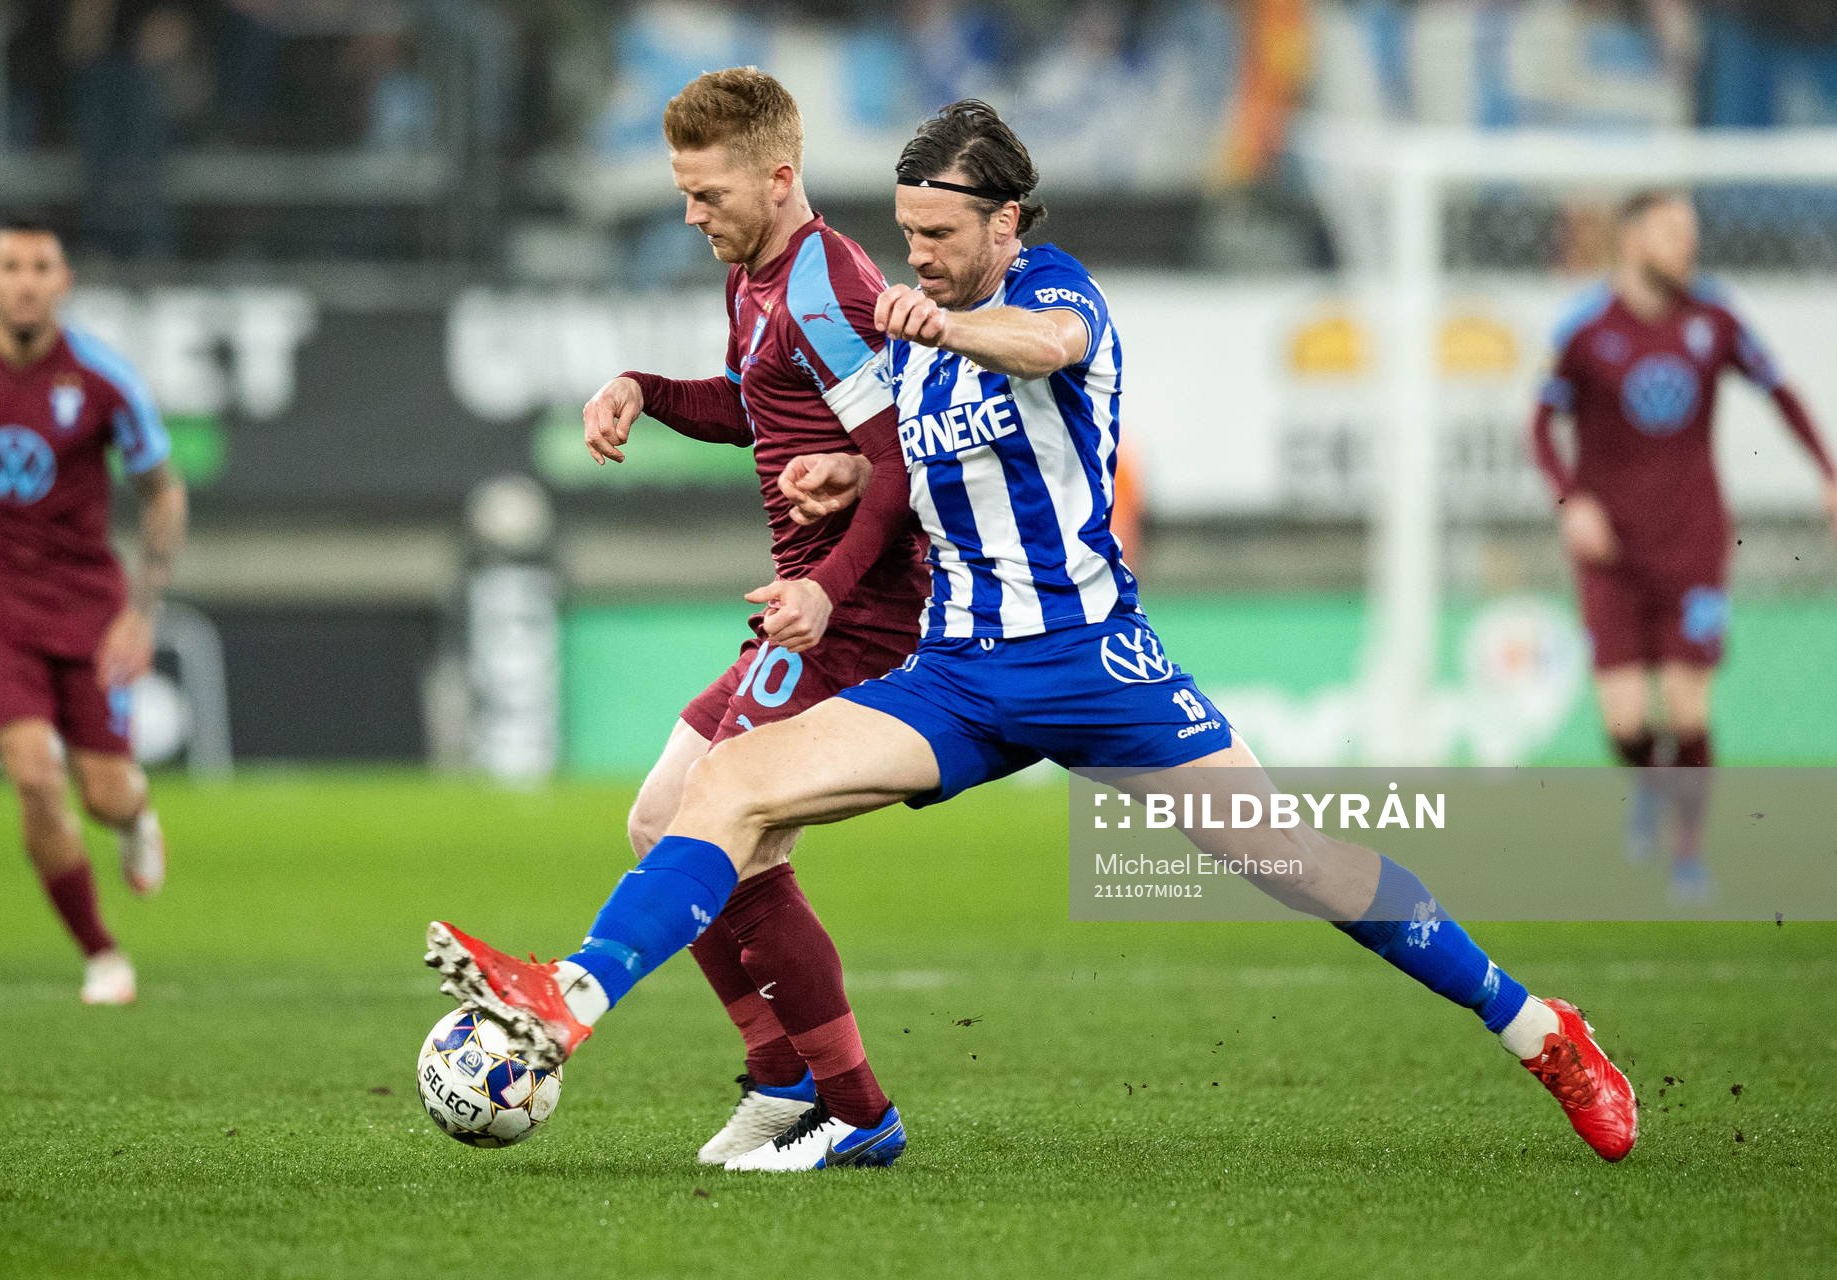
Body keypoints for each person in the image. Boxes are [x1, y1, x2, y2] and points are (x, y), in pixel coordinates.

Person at [426, 101, 1637, 1172]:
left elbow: (1047, 349)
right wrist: (850, 476)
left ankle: (1540, 1028)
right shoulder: (917, 340)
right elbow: (913, 470)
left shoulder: (1052, 292)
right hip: (956, 675)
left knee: (1299, 864)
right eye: (908, 233)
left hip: (1095, 667)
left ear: (1006, 223)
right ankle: (571, 996)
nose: (919, 256)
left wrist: (943, 327)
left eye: (942, 234)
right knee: (729, 785)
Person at [574, 68, 924, 1166]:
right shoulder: (755, 276)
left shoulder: (828, 288)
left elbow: (899, 461)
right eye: (684, 192)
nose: (692, 215)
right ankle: (782, 1080)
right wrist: (643, 388)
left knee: (738, 831)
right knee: (659, 822)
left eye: (709, 193)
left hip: (857, 617)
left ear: (778, 178)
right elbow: (754, 406)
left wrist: (828, 589)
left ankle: (851, 1105)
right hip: (804, 607)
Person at [1532, 189, 1836, 895]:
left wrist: (1827, 472)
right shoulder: (1583, 328)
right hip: (1610, 551)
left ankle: (1688, 855)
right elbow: (1540, 426)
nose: (1686, 244)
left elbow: (1780, 390)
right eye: (1671, 231)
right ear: (1632, 238)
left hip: (1693, 540)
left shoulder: (1714, 318)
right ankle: (1652, 785)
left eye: (1689, 231)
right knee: (1624, 719)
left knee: (1686, 705)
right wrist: (1571, 501)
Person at [0, 219, 185, 1005]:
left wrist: (141, 612)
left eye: (41, 267)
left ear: (63, 282)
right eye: (11, 266)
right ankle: (102, 952)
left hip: (86, 608)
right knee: (35, 779)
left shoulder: (103, 379)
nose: (25, 281)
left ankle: (134, 816)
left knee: (103, 794)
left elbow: (163, 490)